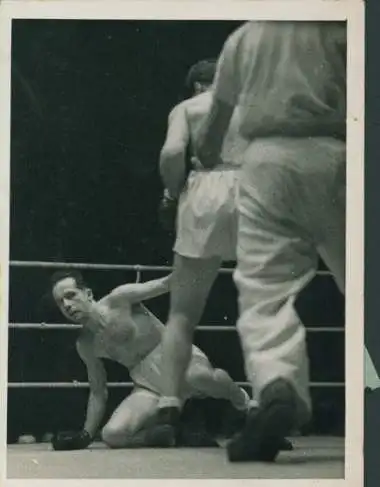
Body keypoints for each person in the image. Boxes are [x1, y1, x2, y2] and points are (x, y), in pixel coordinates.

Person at [194, 21, 346, 462]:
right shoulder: (338, 23)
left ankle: (277, 383)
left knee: (264, 290)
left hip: (267, 160)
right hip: (342, 150)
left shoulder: (245, 37)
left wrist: (205, 158)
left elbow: (211, 136)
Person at [149, 59, 254, 446]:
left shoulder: (188, 108)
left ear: (196, 86)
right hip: (254, 190)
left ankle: (168, 406)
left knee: (181, 313)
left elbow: (172, 153)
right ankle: (266, 406)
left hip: (205, 190)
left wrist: (171, 193)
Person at [49, 269, 252, 450]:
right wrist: (85, 435)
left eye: (70, 296)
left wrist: (198, 266)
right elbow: (98, 391)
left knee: (199, 376)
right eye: (60, 302)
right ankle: (171, 435)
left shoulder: (121, 299)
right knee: (113, 435)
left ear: (88, 294)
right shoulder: (85, 343)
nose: (67, 305)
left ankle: (244, 404)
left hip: (178, 360)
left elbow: (166, 283)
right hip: (148, 385)